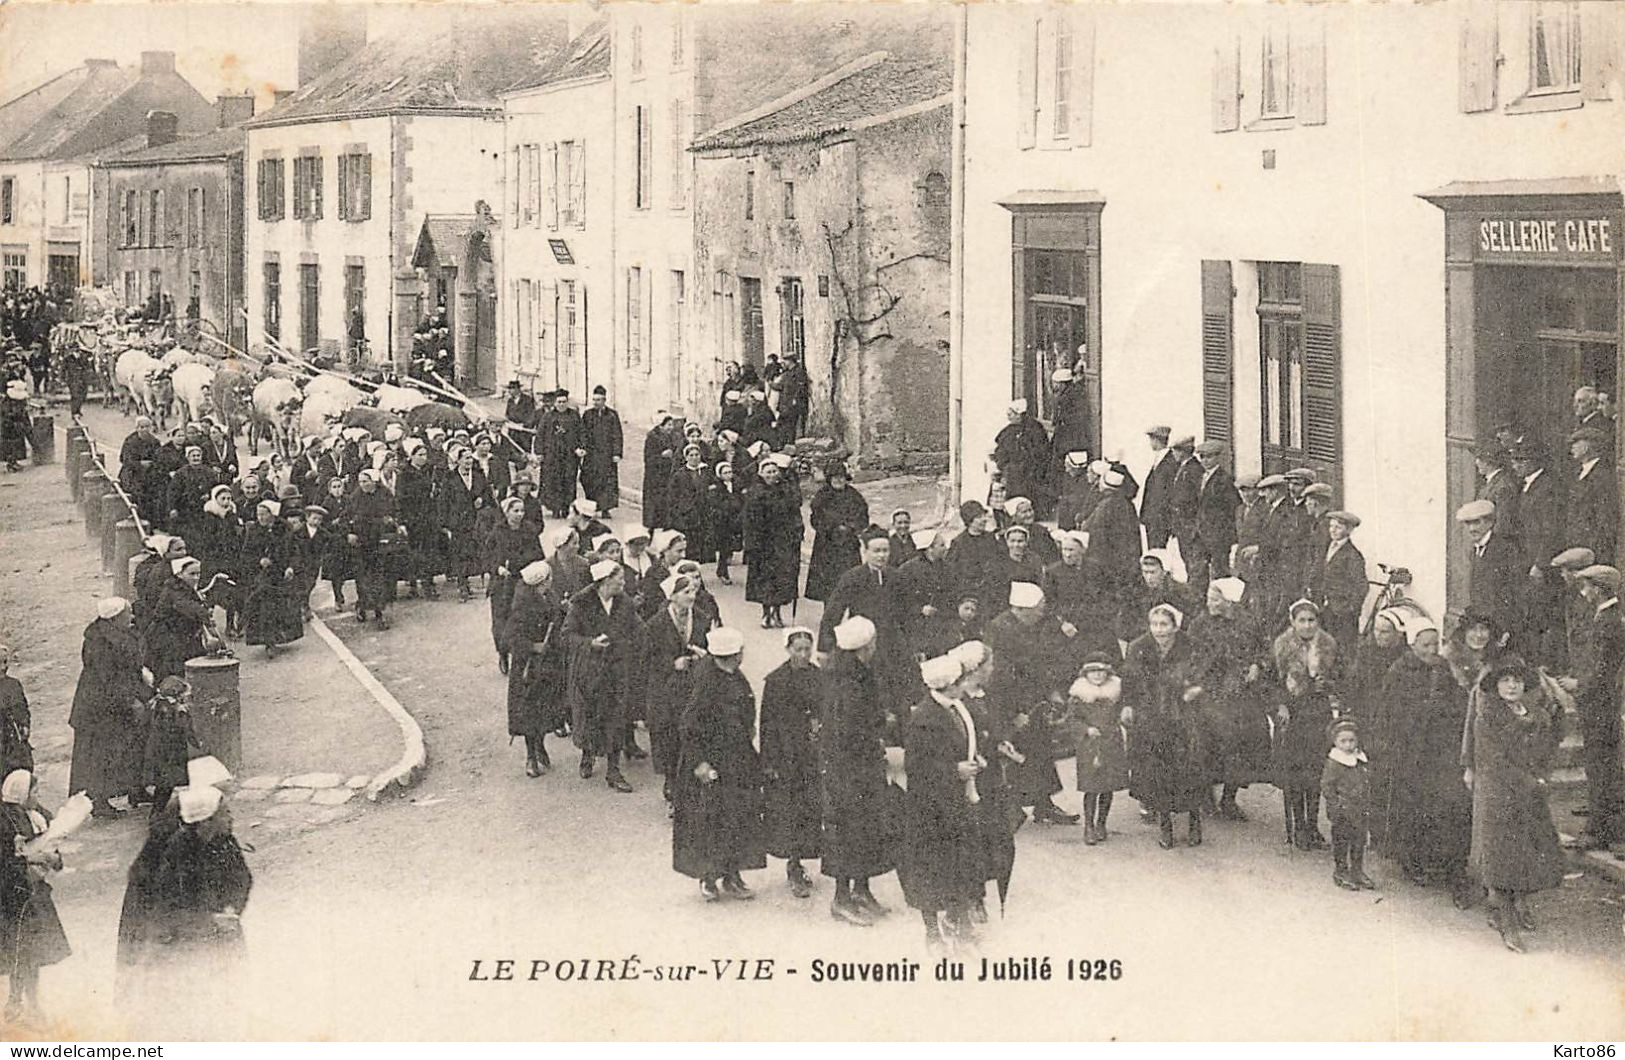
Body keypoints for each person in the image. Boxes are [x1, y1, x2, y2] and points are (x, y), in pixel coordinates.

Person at [1463, 655, 1565, 953]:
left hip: (1529, 793)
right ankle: (1506, 920)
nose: (1511, 685)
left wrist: (1543, 774)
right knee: (1502, 856)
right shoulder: (1487, 719)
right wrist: (1530, 781)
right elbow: (1493, 761)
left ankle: (1518, 906)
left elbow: (1549, 745)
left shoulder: (1533, 713)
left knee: (1530, 851)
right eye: (1505, 680)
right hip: (1500, 794)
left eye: (1517, 680)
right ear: (1495, 686)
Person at [145, 783, 253, 1033]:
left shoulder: (226, 843)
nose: (231, 818)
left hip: (225, 934)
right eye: (225, 813)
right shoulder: (177, 853)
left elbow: (242, 878)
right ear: (206, 821)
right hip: (191, 943)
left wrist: (231, 908)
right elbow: (169, 907)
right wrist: (209, 920)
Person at [1380, 616, 1474, 901]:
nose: (1432, 649)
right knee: (1413, 804)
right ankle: (1412, 861)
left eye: (1435, 643)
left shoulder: (1443, 668)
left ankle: (1443, 862)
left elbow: (1457, 702)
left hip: (1440, 748)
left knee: (1443, 804)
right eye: (1425, 644)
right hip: (1412, 749)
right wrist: (1424, 710)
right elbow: (1391, 709)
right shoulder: (1400, 670)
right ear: (1413, 644)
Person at [672, 627, 764, 902]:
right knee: (709, 820)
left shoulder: (735, 677)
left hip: (737, 759)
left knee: (738, 817)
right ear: (732, 655)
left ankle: (733, 874)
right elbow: (688, 726)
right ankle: (708, 877)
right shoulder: (705, 683)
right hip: (710, 762)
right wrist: (699, 763)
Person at [900, 654, 985, 949]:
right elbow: (916, 766)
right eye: (959, 681)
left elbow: (964, 742)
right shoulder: (924, 718)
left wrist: (974, 759)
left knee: (960, 866)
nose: (964, 685)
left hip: (955, 802)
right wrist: (954, 770)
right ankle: (932, 932)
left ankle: (958, 922)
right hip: (931, 808)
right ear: (948, 684)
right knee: (931, 872)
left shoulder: (955, 707)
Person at [820, 615, 900, 927]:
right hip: (848, 768)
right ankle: (841, 897)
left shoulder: (856, 673)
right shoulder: (847, 683)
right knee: (848, 830)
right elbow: (850, 729)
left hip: (861, 765)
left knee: (867, 827)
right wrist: (883, 724)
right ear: (864, 648)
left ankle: (862, 889)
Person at [983, 581, 1077, 825]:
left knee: (1041, 752)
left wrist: (1051, 692)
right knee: (1016, 757)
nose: (1043, 611)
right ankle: (1012, 810)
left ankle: (1043, 805)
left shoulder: (1030, 626)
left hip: (1032, 702)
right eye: (1039, 608)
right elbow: (999, 679)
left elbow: (1039, 664)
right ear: (1022, 609)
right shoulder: (999, 630)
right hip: (1009, 706)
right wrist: (1014, 713)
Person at [1186, 577, 1271, 820]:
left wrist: (1257, 665)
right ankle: (1205, 795)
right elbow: (1191, 656)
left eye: (1215, 598)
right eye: (1209, 598)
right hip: (1209, 690)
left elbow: (1264, 649)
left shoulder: (1248, 621)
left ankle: (1229, 798)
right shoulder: (1200, 624)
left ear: (1229, 600)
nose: (1209, 603)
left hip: (1240, 690)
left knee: (1244, 741)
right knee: (1207, 741)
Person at [1123, 603, 1207, 849]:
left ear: (1175, 625)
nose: (1159, 630)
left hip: (1184, 713)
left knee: (1189, 767)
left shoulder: (1190, 645)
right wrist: (1128, 705)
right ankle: (1165, 825)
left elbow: (1207, 673)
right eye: (1155, 624)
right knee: (1158, 768)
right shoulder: (1139, 646)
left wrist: (1197, 689)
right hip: (1152, 714)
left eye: (1164, 625)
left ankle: (1194, 821)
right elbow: (1129, 679)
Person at [1558, 565, 1625, 849]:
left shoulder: (1608, 621)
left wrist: (1577, 685)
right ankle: (1603, 830)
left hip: (1603, 705)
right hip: (1601, 703)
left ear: (1598, 589)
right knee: (1601, 767)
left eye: (1586, 587)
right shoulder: (1606, 616)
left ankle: (1606, 833)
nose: (1583, 592)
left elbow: (1601, 671)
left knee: (1603, 768)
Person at [69, 598, 153, 818]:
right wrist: (130, 701)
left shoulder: (120, 634)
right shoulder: (99, 642)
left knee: (134, 745)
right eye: (128, 614)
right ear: (115, 617)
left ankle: (136, 789)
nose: (132, 618)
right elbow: (108, 679)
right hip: (99, 708)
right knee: (102, 755)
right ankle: (99, 802)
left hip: (118, 700)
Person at [1270, 599, 1340, 850]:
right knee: (1295, 771)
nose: (1307, 625)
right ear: (1293, 622)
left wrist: (1328, 686)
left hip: (1318, 713)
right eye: (1302, 620)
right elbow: (1270, 684)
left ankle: (1312, 825)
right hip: (1292, 713)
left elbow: (1340, 678)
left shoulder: (1328, 645)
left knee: (1315, 771)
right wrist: (1280, 705)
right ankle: (1299, 825)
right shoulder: (1282, 647)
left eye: (1312, 620)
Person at [0, 770, 70, 1022]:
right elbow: (8, 860)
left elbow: (52, 851)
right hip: (14, 896)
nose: (38, 796)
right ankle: (19, 1001)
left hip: (34, 893)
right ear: (22, 794)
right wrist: (37, 858)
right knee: (21, 950)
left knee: (32, 951)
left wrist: (52, 858)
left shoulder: (35, 816)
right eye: (35, 792)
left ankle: (28, 1002)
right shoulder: (6, 820)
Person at [760, 627, 824, 898]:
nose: (803, 654)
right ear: (788, 649)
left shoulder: (819, 677)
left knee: (811, 808)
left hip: (811, 754)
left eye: (807, 649)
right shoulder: (776, 680)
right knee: (790, 810)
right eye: (797, 649)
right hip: (787, 755)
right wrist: (768, 761)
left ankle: (801, 860)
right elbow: (766, 724)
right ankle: (793, 864)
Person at [565, 560, 640, 792]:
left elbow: (638, 630)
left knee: (616, 717)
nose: (624, 583)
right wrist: (590, 643)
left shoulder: (624, 603)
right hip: (589, 671)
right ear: (606, 580)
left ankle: (613, 770)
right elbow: (567, 635)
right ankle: (587, 755)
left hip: (617, 670)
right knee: (590, 716)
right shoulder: (581, 604)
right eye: (620, 579)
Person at [502, 561, 566, 778]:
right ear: (542, 581)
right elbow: (510, 638)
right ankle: (531, 755)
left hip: (548, 664)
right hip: (528, 668)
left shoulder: (550, 597)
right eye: (549, 577)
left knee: (545, 710)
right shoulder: (522, 606)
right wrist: (532, 646)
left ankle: (540, 746)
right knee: (529, 712)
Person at [1069, 656, 1130, 845]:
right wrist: (1086, 729)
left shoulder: (1115, 693)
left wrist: (1123, 721)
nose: (1097, 675)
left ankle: (1101, 823)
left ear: (1108, 673)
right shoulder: (1079, 695)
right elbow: (1072, 719)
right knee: (1091, 787)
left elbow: (1124, 713)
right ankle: (1088, 826)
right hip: (1090, 746)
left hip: (1111, 743)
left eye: (1101, 671)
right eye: (1093, 671)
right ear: (1085, 674)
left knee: (1108, 786)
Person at [742, 457, 803, 629]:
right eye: (768, 472)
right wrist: (751, 544)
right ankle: (766, 613)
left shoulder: (786, 490)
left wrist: (797, 534)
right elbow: (748, 521)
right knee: (764, 580)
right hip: (763, 545)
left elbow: (795, 511)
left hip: (782, 542)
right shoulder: (755, 493)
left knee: (781, 578)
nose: (771, 475)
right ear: (761, 474)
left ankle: (777, 612)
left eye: (774, 471)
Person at [1457, 499, 1525, 642]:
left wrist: (1507, 628)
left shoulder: (1505, 550)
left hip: (1501, 627)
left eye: (1477, 522)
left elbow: (1515, 591)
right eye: (1468, 523)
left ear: (1490, 523)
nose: (1472, 529)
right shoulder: (1475, 550)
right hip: (1482, 626)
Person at [1321, 720, 1375, 891]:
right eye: (1343, 741)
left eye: (1351, 740)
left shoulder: (1359, 759)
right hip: (1343, 810)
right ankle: (1341, 871)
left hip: (1359, 809)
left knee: (1359, 841)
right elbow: (1327, 786)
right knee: (1342, 841)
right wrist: (1336, 804)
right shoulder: (1335, 762)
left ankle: (1357, 871)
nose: (1348, 745)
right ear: (1335, 742)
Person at [805, 461, 868, 603]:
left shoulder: (854, 496)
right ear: (829, 479)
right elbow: (816, 519)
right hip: (827, 546)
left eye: (841, 477)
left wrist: (850, 528)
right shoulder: (822, 496)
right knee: (828, 585)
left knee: (850, 582)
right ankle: (829, 614)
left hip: (848, 545)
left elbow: (862, 517)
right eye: (835, 477)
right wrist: (832, 528)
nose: (838, 480)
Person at [345, 470, 401, 629]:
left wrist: (393, 521)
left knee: (381, 577)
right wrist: (349, 533)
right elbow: (346, 517)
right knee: (364, 578)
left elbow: (395, 510)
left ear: (374, 481)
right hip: (362, 543)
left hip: (381, 541)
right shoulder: (355, 497)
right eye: (360, 482)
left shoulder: (384, 493)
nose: (363, 485)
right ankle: (362, 605)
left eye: (366, 481)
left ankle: (379, 612)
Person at [1306, 510, 1368, 650]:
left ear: (1348, 530)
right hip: (1324, 609)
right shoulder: (1327, 548)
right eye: (1331, 526)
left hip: (1342, 614)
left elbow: (1361, 587)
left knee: (1342, 649)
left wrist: (1349, 609)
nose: (1332, 530)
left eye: (1338, 527)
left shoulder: (1352, 555)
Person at [1185, 440, 1240, 596]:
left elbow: (1232, 508)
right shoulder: (1201, 477)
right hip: (1200, 532)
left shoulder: (1224, 479)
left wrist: (1225, 532)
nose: (1205, 461)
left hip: (1218, 535)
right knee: (1198, 572)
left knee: (1219, 572)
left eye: (1208, 457)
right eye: (1202, 457)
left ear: (1217, 458)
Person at [991, 399, 1053, 517]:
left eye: (1011, 415)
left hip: (1031, 471)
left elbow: (1040, 452)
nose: (1009, 418)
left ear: (1019, 415)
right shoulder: (1009, 430)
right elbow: (1001, 450)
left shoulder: (1034, 429)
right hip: (1011, 469)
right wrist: (1002, 463)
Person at [1565, 427, 1617, 563]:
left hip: (1592, 548)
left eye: (1576, 442)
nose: (1572, 447)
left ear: (1588, 446)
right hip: (1577, 544)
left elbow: (1605, 517)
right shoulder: (1579, 472)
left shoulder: (1602, 475)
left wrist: (1597, 550)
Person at [946, 501, 1003, 608]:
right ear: (970, 520)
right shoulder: (959, 543)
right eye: (979, 517)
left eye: (984, 515)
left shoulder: (990, 538)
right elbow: (952, 572)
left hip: (991, 592)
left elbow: (999, 563)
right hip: (969, 594)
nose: (984, 519)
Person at [580, 385, 622, 515]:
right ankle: (591, 508)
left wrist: (617, 453)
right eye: (594, 400)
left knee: (607, 482)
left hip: (606, 455)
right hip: (591, 455)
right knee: (590, 481)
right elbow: (582, 433)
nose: (595, 402)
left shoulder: (612, 415)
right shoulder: (588, 414)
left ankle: (605, 508)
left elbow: (617, 434)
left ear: (604, 400)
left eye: (598, 400)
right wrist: (583, 447)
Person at [707, 461, 745, 585]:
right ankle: (723, 571)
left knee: (730, 546)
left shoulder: (737, 484)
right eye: (725, 473)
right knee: (724, 546)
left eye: (730, 472)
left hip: (736, 519)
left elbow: (742, 498)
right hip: (722, 521)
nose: (729, 475)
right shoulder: (715, 487)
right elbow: (715, 503)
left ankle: (722, 568)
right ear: (720, 475)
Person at [642, 410, 680, 531]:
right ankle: (651, 527)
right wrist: (662, 456)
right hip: (654, 477)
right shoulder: (652, 437)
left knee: (665, 502)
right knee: (654, 504)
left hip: (668, 475)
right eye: (668, 425)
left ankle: (665, 526)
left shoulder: (673, 436)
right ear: (661, 425)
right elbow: (648, 458)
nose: (671, 427)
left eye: (672, 424)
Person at [0, 645, 34, 778]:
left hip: (13, 745)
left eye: (4, 662)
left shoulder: (13, 685)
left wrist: (24, 726)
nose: (3, 667)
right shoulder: (13, 685)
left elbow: (22, 710)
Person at [0, 379, 29, 471]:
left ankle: (12, 462)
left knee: (12, 444)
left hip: (10, 424)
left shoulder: (7, 401)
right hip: (9, 424)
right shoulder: (10, 402)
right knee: (11, 444)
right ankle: (11, 463)